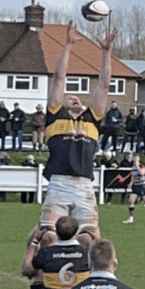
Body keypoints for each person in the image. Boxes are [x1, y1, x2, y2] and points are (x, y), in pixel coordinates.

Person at [36, 21, 117, 241]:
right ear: (61, 103)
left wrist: (106, 52)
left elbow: (104, 84)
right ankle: (44, 273)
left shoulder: (92, 120)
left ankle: (91, 274)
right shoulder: (55, 116)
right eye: (70, 97)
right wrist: (68, 45)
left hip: (84, 185)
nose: (75, 99)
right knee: (48, 237)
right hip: (59, 182)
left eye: (79, 98)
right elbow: (59, 77)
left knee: (90, 239)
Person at [122, 154, 145, 225]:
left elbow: (142, 173)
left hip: (142, 186)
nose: (135, 159)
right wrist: (131, 183)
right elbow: (133, 176)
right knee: (131, 201)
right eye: (134, 158)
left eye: (136, 158)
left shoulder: (142, 166)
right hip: (136, 186)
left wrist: (137, 165)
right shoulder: (133, 167)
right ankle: (131, 218)